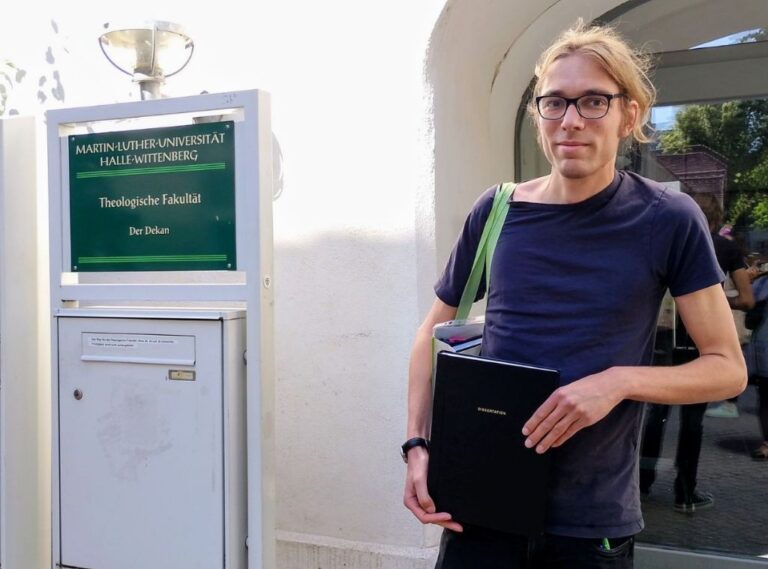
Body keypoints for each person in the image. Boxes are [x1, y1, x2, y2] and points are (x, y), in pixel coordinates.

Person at [402, 19, 746, 569]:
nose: (571, 120)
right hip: (481, 502)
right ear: (538, 114)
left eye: (593, 101)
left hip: (591, 519)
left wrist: (618, 382)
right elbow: (429, 335)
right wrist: (417, 446)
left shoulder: (666, 218)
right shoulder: (497, 210)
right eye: (554, 102)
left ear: (629, 115)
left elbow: (727, 368)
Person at [639, 193, 754, 512]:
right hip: (700, 342)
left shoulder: (665, 238)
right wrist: (709, 305)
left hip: (664, 337)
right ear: (716, 218)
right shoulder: (726, 248)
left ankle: (642, 484)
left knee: (656, 414)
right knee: (692, 420)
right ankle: (685, 492)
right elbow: (747, 299)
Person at [742, 270, 768, 460]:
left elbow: (750, 321)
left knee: (765, 398)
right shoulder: (762, 282)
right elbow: (750, 320)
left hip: (764, 347)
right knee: (766, 397)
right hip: (764, 347)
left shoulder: (762, 283)